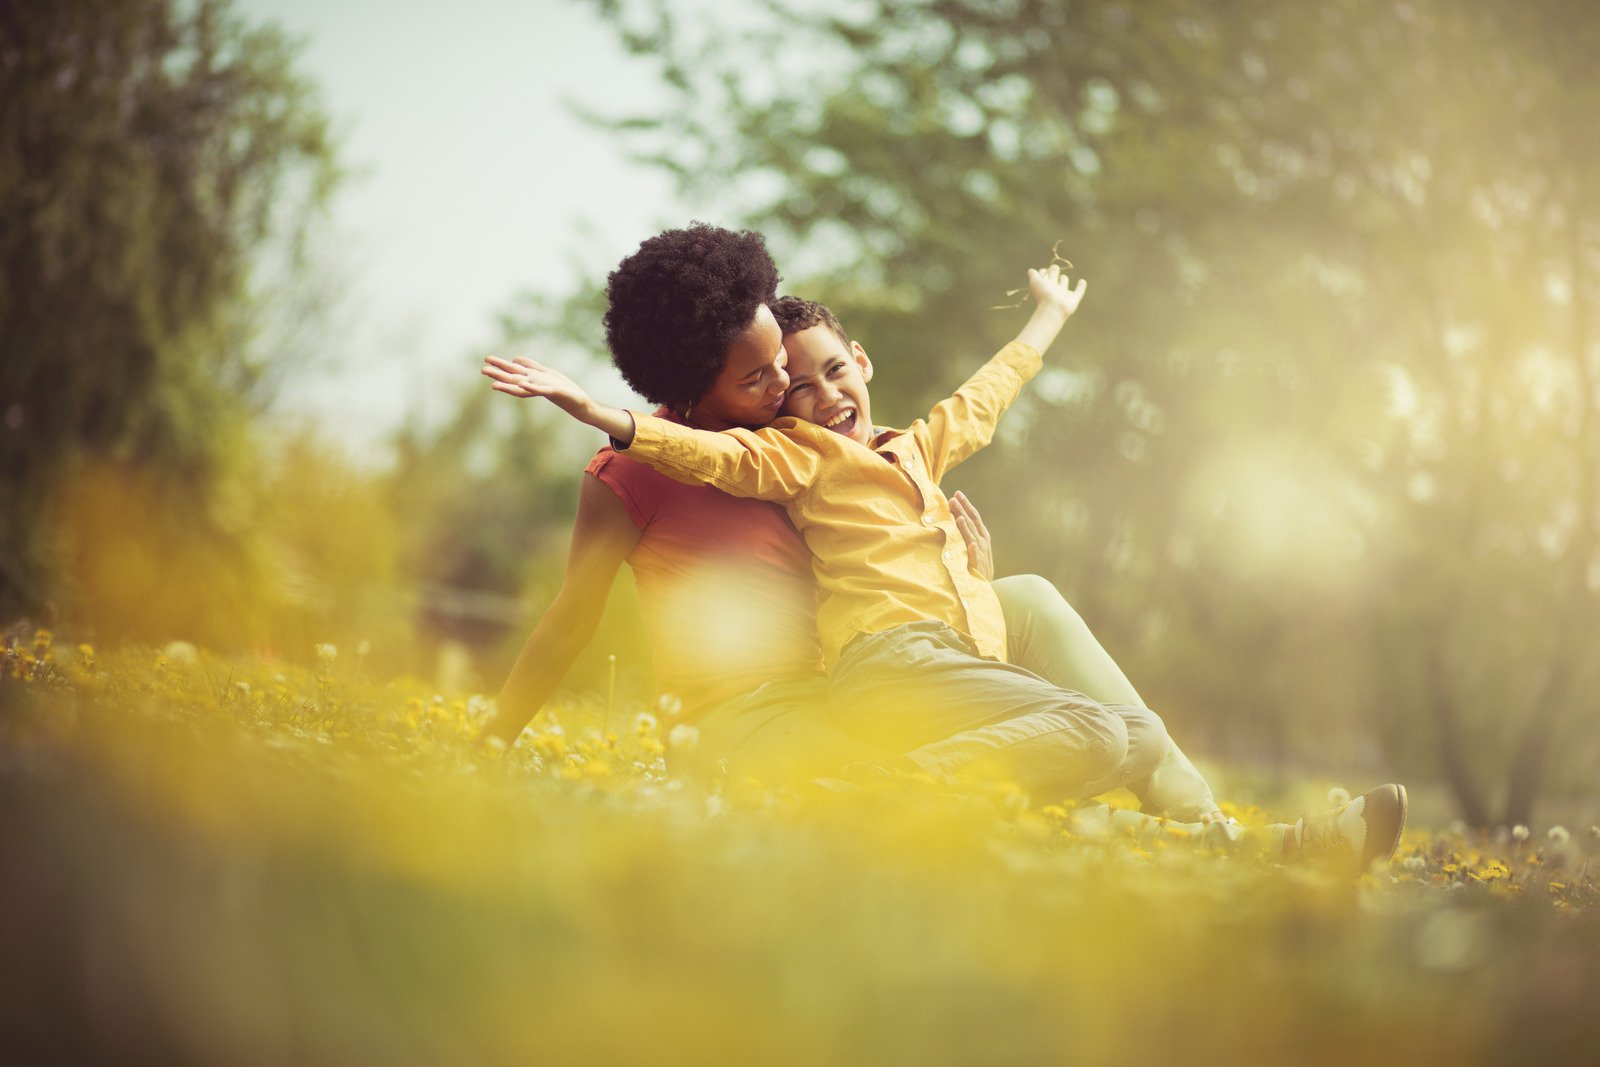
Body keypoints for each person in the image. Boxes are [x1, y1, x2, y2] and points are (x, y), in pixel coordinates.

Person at [483, 226, 1406, 871]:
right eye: (761, 375)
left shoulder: (819, 453)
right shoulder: (649, 467)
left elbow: (885, 539)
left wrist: (960, 574)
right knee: (1063, 764)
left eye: (791, 365)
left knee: (1033, 600)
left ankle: (1222, 836)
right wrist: (485, 748)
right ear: (696, 381)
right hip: (765, 719)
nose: (785, 387)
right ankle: (1231, 852)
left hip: (869, 673)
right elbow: (569, 621)